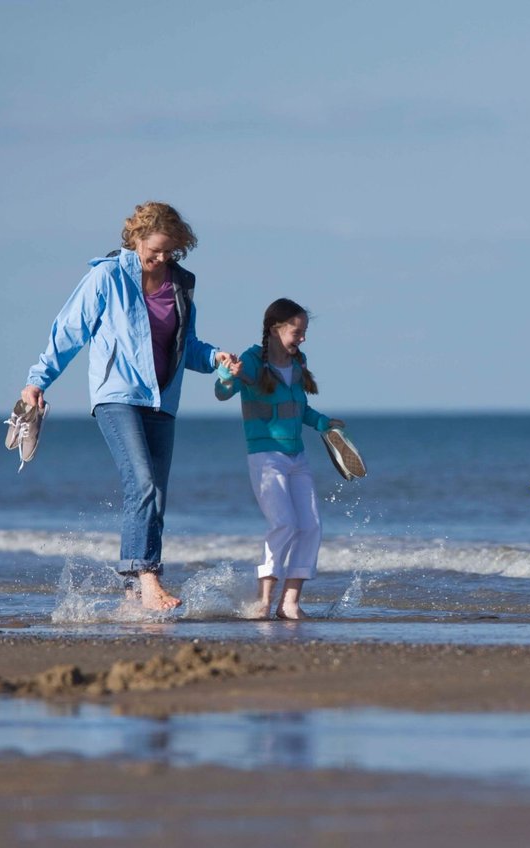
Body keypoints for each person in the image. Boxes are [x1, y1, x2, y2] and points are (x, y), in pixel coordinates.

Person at [20, 202, 242, 611]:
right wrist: (37, 381)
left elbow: (186, 346)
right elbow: (68, 331)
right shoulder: (106, 277)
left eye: (170, 252)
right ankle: (149, 577)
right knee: (142, 483)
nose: (161, 259)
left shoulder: (181, 285)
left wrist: (215, 358)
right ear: (136, 238)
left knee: (154, 496)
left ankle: (133, 593)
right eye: (155, 250)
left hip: (162, 400)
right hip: (117, 396)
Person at [215, 298, 344, 620]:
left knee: (311, 525)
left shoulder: (298, 362)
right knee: (284, 523)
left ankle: (290, 603)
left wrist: (323, 423)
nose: (302, 338)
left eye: (304, 332)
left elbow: (299, 408)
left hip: (297, 456)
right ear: (275, 329)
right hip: (266, 456)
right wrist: (227, 375)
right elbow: (222, 392)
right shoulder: (251, 361)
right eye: (297, 332)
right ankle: (263, 602)